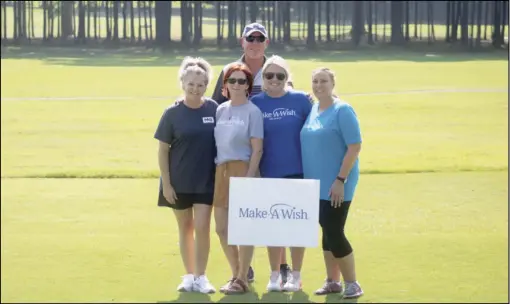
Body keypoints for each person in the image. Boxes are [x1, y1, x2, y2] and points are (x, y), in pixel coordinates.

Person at [211, 22, 293, 283]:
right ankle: (243, 271)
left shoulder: (275, 69)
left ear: (266, 43)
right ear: (242, 41)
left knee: (274, 211)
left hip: (273, 149)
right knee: (240, 219)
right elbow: (216, 106)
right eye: (251, 38)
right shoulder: (230, 71)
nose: (255, 43)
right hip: (241, 151)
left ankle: (281, 267)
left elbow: (291, 100)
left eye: (260, 39)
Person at [154, 57, 217, 294]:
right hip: (178, 181)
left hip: (206, 180)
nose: (195, 88)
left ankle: (202, 277)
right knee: (186, 228)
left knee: (202, 227)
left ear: (206, 86)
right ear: (183, 82)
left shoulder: (213, 108)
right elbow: (162, 150)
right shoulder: (171, 113)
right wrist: (166, 184)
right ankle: (189, 275)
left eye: (201, 84)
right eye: (191, 83)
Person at [250, 55, 313, 292]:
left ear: (287, 78)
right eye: (269, 75)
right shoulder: (256, 103)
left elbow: (319, 121)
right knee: (273, 227)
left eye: (280, 76)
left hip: (298, 172)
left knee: (297, 227)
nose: (274, 80)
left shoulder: (300, 100)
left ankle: (295, 276)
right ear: (262, 78)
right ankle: (275, 275)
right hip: (268, 172)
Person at [300, 68, 364, 299]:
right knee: (326, 231)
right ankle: (332, 281)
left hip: (337, 183)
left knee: (334, 231)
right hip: (315, 183)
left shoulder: (342, 110)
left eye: (324, 81)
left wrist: (340, 180)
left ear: (333, 83)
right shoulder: (314, 108)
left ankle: (352, 283)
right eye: (315, 81)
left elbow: (354, 146)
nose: (319, 85)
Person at [213, 63, 264, 294]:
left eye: (241, 81)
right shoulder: (220, 110)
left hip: (243, 169)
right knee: (222, 228)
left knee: (242, 228)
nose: (236, 85)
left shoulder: (253, 112)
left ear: (248, 86)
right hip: (221, 170)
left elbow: (257, 149)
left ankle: (242, 278)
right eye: (231, 81)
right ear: (225, 85)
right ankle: (236, 273)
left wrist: (250, 177)